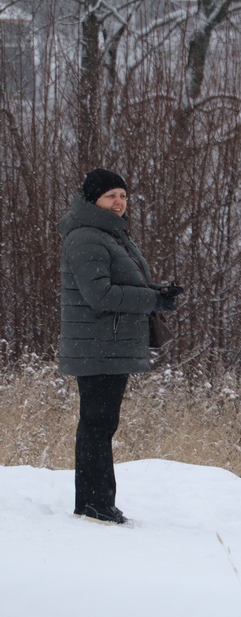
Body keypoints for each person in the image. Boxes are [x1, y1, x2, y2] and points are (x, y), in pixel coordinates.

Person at [59, 168, 183, 524]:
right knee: (97, 425)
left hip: (106, 345)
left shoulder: (110, 236)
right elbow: (99, 295)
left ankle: (94, 502)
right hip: (97, 345)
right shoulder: (86, 238)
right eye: (110, 196)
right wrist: (151, 301)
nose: (118, 202)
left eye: (123, 196)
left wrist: (157, 293)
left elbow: (118, 285)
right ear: (93, 199)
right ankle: (95, 505)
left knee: (99, 425)